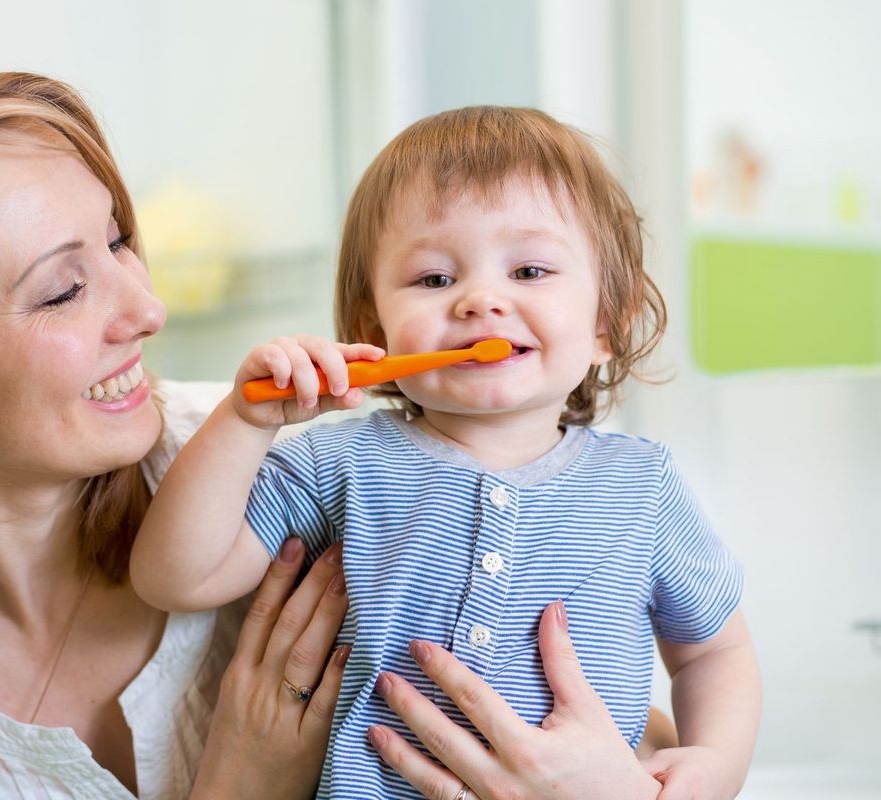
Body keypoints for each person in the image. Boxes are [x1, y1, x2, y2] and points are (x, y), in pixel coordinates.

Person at [130, 106, 761, 799]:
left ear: (605, 324)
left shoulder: (644, 487)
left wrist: (714, 768)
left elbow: (714, 652)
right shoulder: (333, 465)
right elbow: (175, 579)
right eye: (434, 279)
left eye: (528, 269)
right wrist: (243, 421)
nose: (481, 301)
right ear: (376, 328)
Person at [0, 70, 351, 799]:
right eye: (62, 291)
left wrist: (556, 773)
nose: (148, 310)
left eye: (119, 242)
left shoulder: (285, 473)